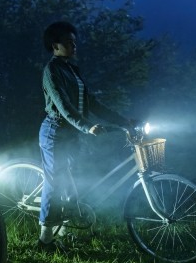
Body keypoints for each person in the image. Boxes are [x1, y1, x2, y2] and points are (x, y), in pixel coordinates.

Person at [38, 21, 131, 251]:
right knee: (55, 182)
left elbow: (93, 103)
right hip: (55, 133)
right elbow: (63, 105)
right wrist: (87, 126)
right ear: (55, 46)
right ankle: (45, 239)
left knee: (71, 181)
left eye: (75, 42)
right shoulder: (52, 71)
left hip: (72, 134)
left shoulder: (72, 70)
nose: (74, 46)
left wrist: (124, 121)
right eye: (69, 42)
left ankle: (64, 229)